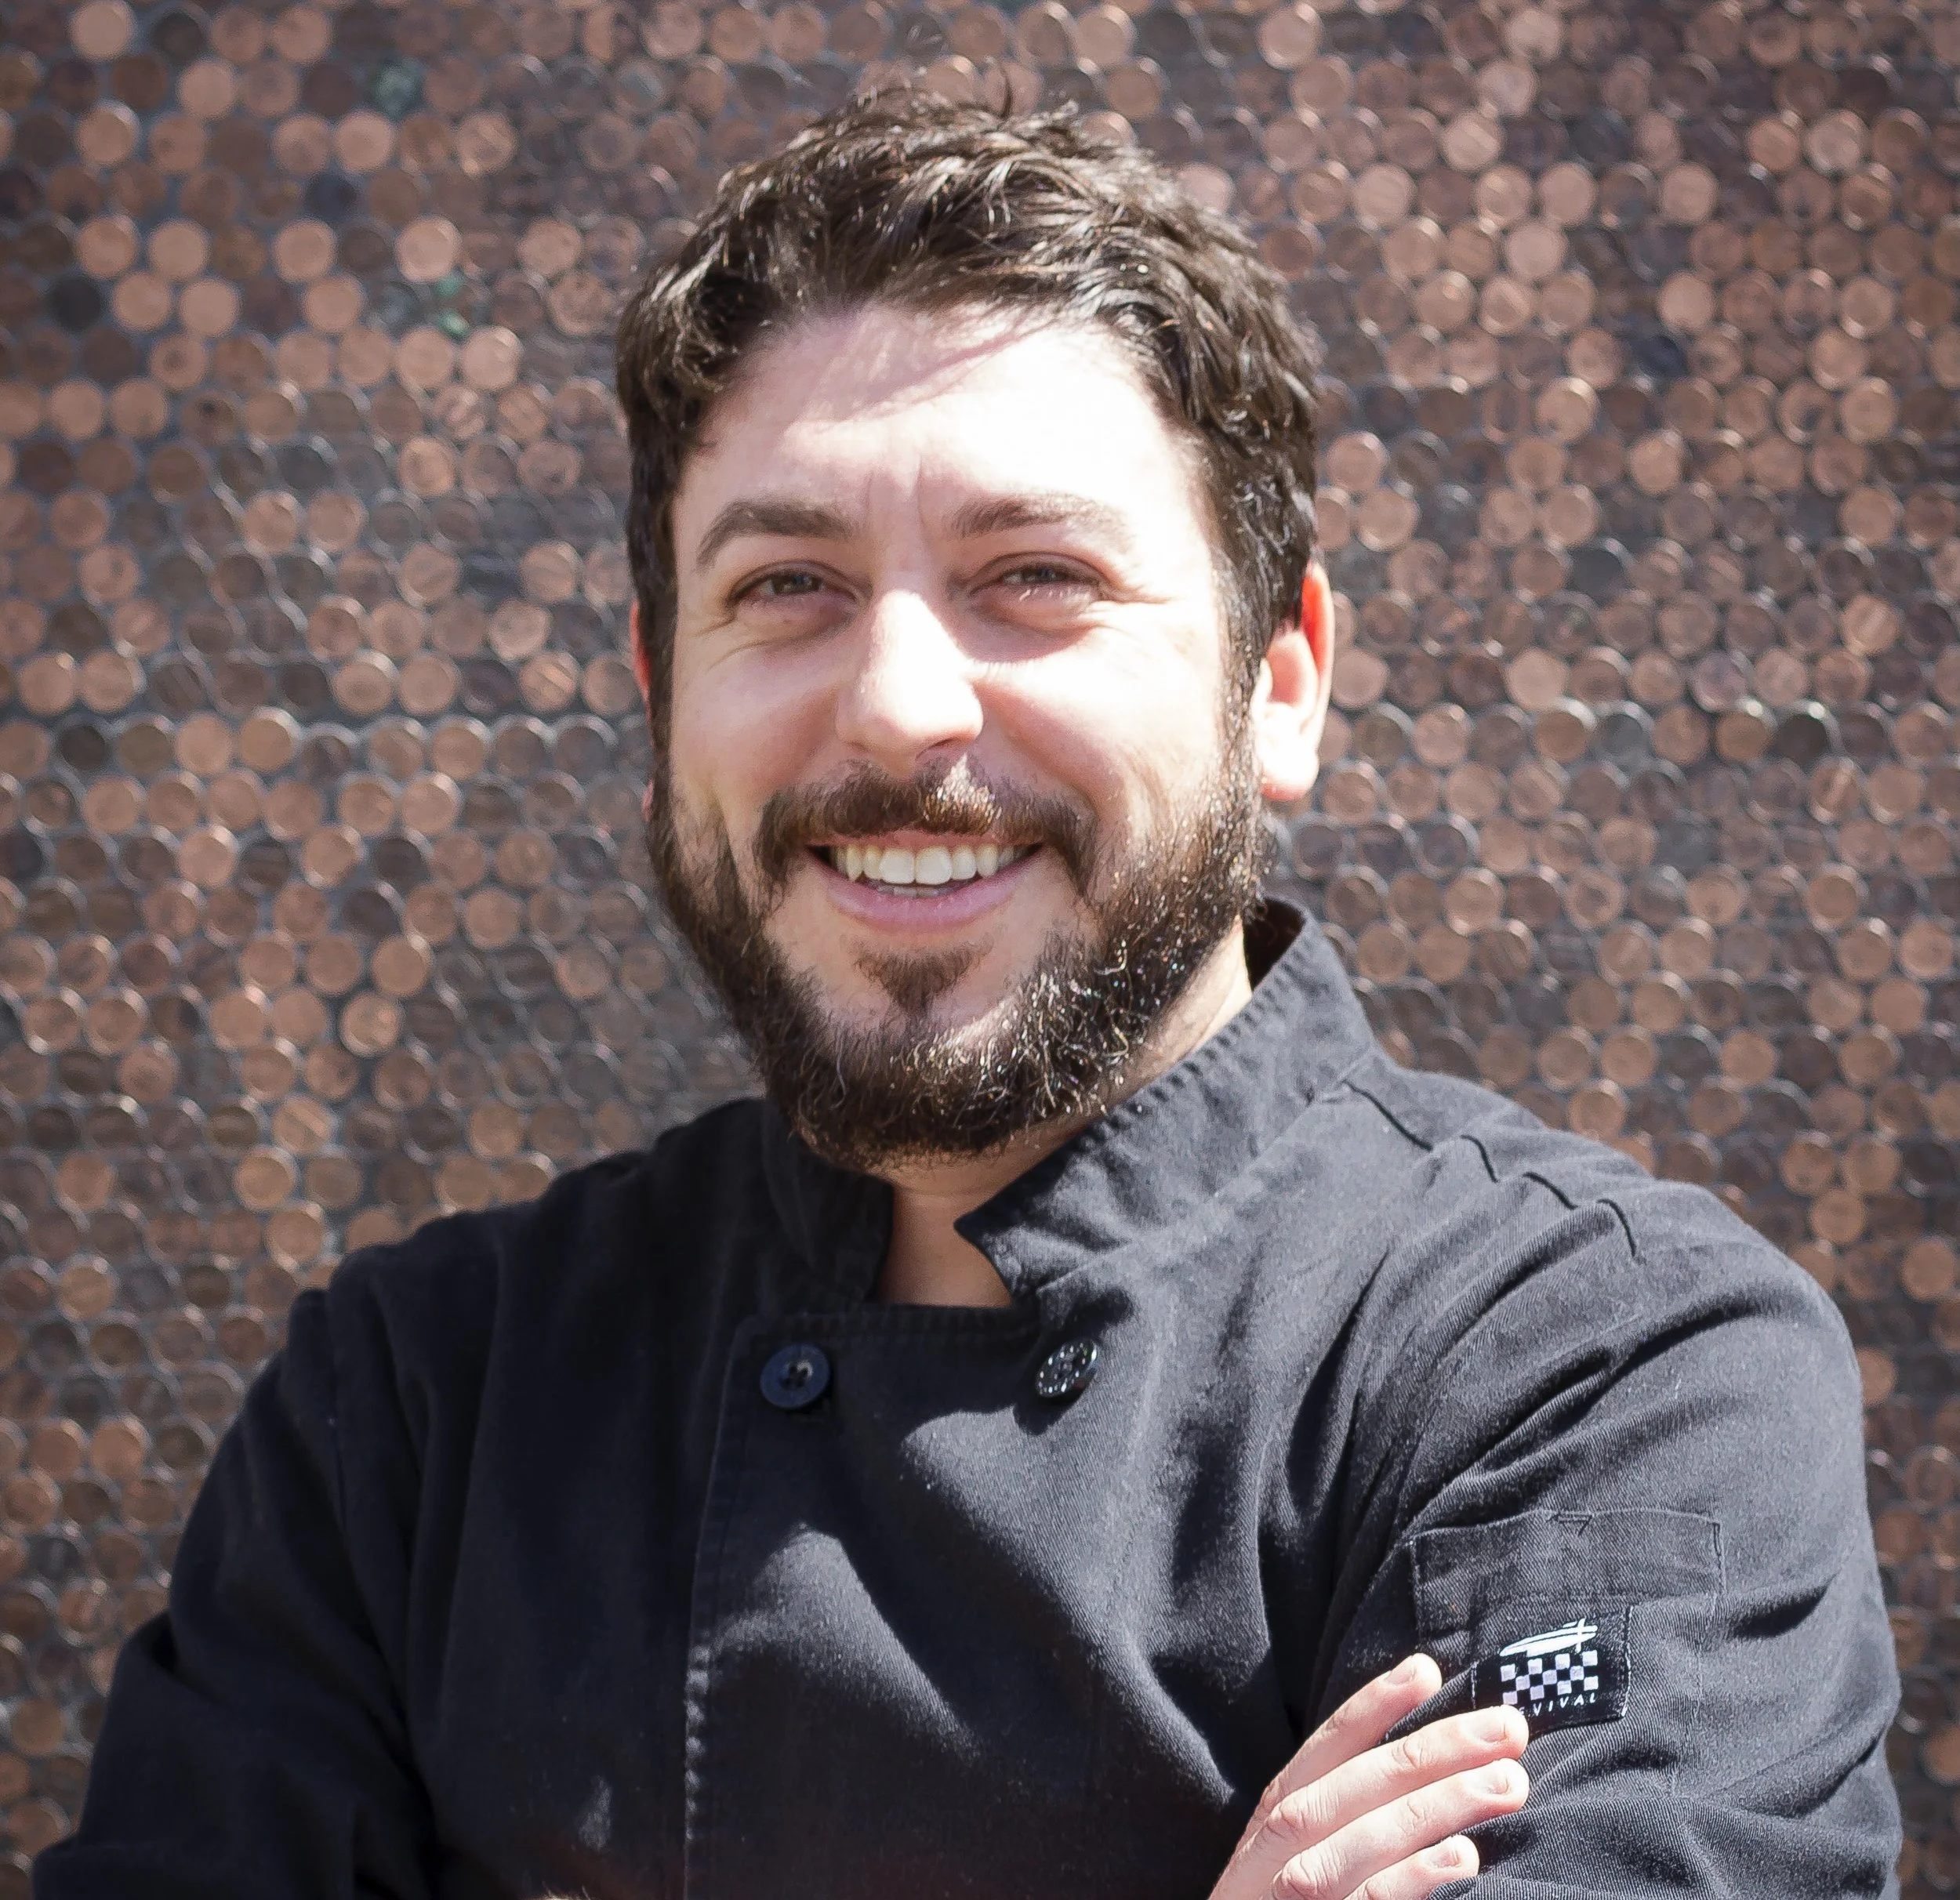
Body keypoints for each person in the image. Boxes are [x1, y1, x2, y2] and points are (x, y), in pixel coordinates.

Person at [39, 95, 1900, 1900]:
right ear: (662, 688)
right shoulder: (414, 1407)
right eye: (787, 585)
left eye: (1034, 577)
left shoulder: (1594, 1370)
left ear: (1278, 681)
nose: (897, 706)